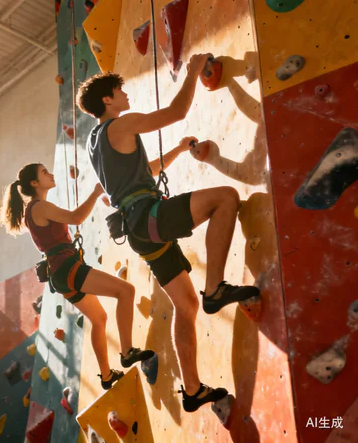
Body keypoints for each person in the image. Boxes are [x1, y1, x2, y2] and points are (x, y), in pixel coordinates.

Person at [76, 53, 260, 412]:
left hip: (139, 228)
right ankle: (216, 288)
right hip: (149, 216)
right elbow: (176, 112)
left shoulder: (96, 143)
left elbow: (146, 169)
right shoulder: (119, 125)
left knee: (185, 305)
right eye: (120, 90)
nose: (126, 95)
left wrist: (176, 149)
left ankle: (192, 390)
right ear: (107, 100)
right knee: (225, 198)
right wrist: (191, 72)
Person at [0, 163, 155, 390]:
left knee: (99, 319)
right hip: (67, 268)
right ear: (34, 183)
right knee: (126, 291)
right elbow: (77, 217)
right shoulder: (38, 207)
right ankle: (127, 351)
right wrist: (95, 192)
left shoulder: (34, 210)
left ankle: (106, 375)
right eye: (44, 173)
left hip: (63, 273)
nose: (50, 174)